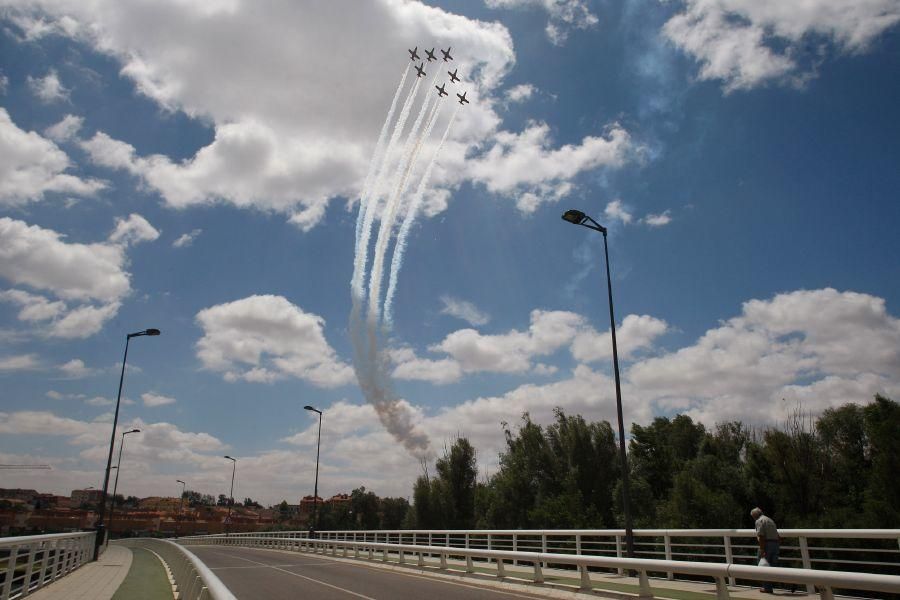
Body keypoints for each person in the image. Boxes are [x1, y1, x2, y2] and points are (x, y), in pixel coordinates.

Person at [752, 507, 779, 593]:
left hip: (767, 545)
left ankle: (767, 588)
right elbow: (778, 535)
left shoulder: (759, 521)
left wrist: (762, 549)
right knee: (772, 566)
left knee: (762, 566)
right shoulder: (770, 520)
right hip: (775, 544)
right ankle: (770, 586)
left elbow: (761, 536)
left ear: (755, 516)